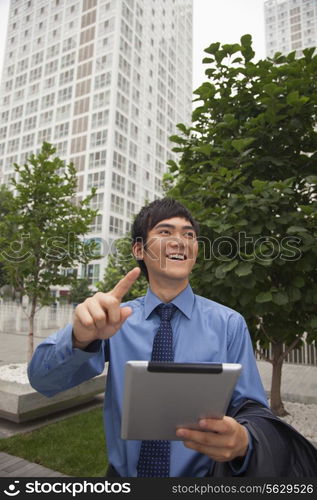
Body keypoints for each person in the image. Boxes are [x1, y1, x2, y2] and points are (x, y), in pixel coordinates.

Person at [28, 198, 317, 477]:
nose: (180, 241)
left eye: (189, 235)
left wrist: (244, 440)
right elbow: (44, 381)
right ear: (139, 249)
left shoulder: (229, 323)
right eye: (165, 232)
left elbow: (253, 409)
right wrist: (79, 338)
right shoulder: (114, 319)